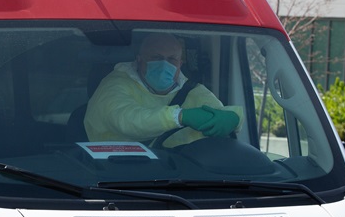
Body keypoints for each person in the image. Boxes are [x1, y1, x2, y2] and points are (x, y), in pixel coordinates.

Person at [83, 33, 243, 148]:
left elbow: (219, 113)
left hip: (182, 179)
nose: (164, 64)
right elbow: (127, 120)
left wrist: (235, 118)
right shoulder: (115, 84)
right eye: (156, 57)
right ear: (139, 60)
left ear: (180, 63)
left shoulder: (191, 90)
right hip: (114, 175)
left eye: (172, 59)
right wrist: (179, 117)